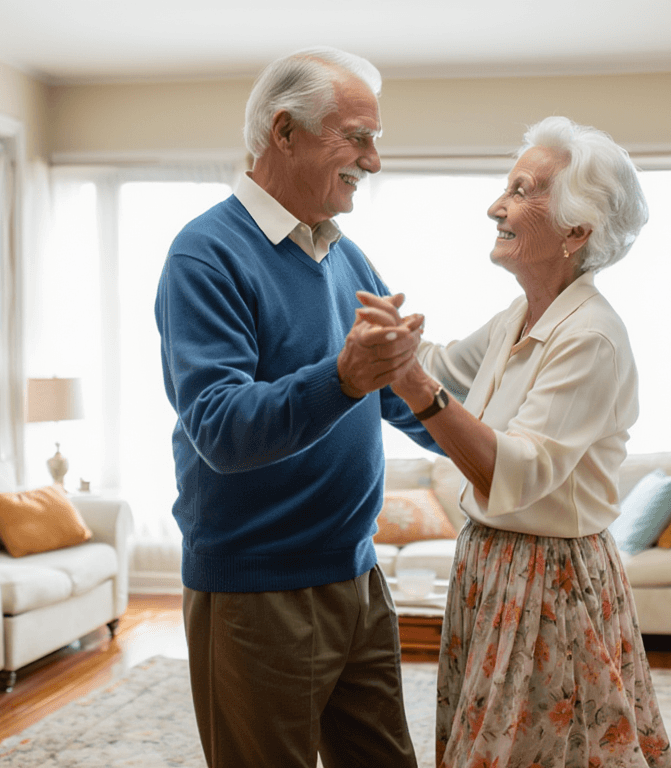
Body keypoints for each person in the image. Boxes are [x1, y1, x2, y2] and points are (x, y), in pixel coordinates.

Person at [355, 116, 671, 767]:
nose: (496, 206)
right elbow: (442, 369)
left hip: (546, 580)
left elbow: (517, 473)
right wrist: (388, 342)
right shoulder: (520, 315)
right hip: (492, 567)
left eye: (523, 190)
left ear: (577, 232)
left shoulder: (590, 335)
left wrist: (412, 375)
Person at [154, 46, 437, 768]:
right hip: (259, 592)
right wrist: (343, 378)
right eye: (359, 138)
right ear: (284, 132)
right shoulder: (205, 255)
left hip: (358, 575)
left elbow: (397, 392)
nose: (373, 162)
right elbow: (219, 426)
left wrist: (501, 435)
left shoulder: (346, 256)